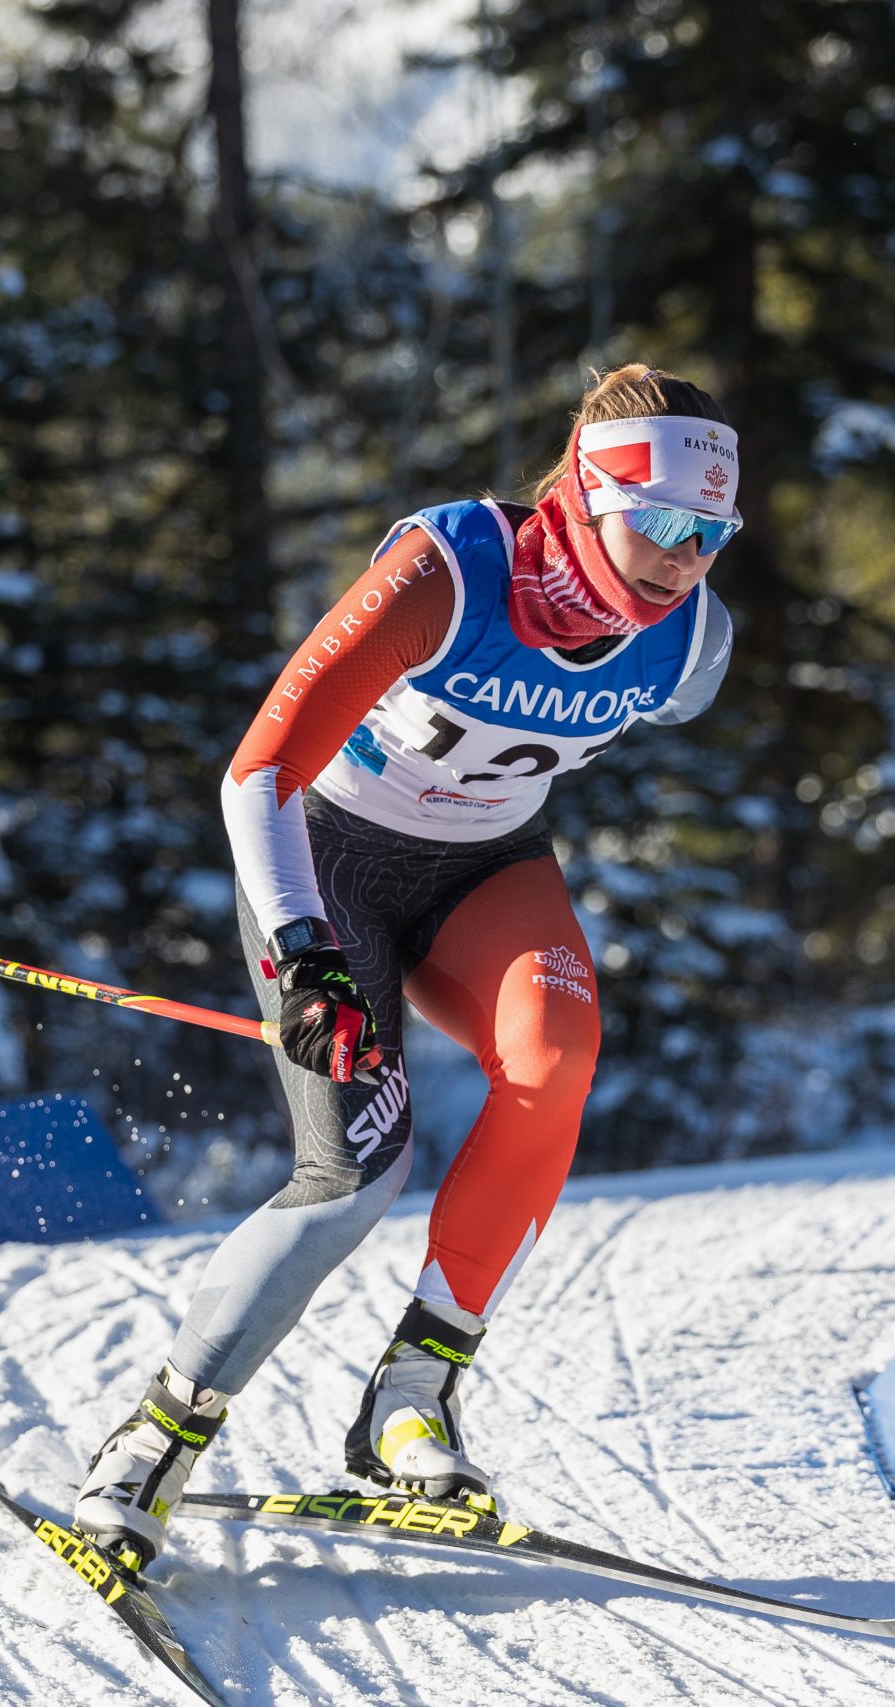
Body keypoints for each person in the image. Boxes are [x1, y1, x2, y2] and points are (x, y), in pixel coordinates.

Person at [72, 364, 742, 1570]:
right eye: (662, 525)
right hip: (325, 865)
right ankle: (152, 1444)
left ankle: (411, 1398)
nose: (684, 558)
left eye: (711, 533)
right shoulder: (448, 574)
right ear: (586, 496)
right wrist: (301, 954)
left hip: (482, 873)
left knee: (559, 1052)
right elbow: (258, 775)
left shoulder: (688, 644)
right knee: (358, 1171)